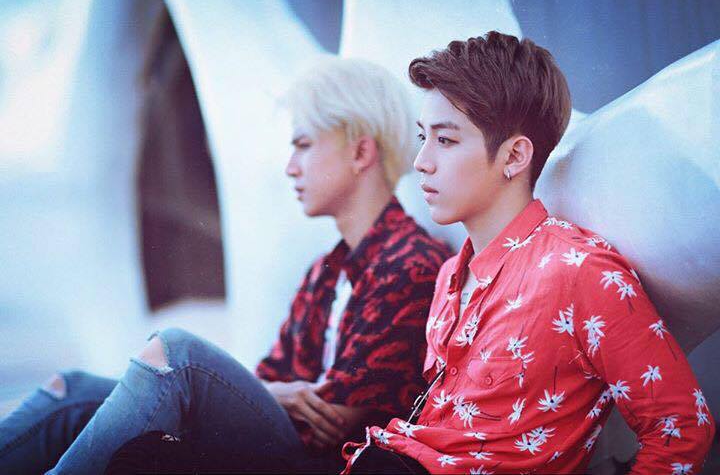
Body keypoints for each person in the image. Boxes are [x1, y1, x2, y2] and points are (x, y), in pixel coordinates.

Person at [0, 57, 451, 475]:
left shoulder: (410, 265)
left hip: (325, 463)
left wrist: (274, 395)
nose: (290, 167)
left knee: (175, 354)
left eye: (303, 145)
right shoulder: (325, 272)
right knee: (74, 390)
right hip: (285, 440)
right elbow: (270, 379)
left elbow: (332, 421)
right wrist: (279, 395)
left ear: (360, 153)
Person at [342, 32, 715, 474]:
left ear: (515, 156)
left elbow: (681, 427)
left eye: (445, 140)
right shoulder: (449, 277)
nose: (421, 161)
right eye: (423, 137)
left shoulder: (580, 271)